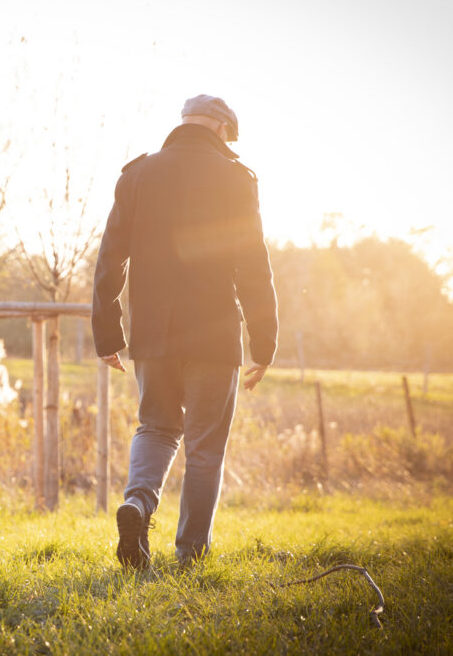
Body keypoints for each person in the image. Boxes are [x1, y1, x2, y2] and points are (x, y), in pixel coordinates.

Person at [91, 94, 278, 570]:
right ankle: (190, 556)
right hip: (214, 338)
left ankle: (137, 504)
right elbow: (253, 265)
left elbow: (111, 257)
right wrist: (264, 342)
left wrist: (108, 333)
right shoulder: (236, 179)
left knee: (155, 427)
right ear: (220, 130)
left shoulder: (137, 174)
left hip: (152, 335)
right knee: (204, 448)